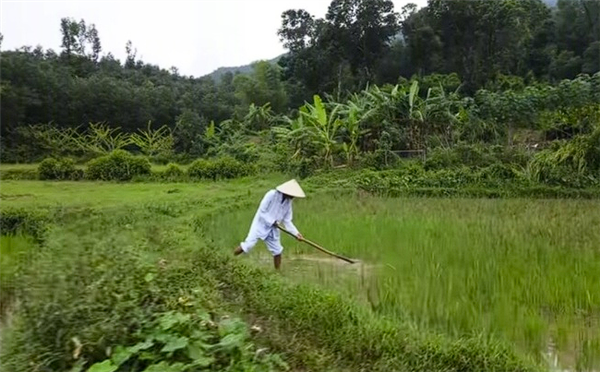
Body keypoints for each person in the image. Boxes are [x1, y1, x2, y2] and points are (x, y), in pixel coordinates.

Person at [233, 179, 305, 270]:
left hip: (273, 229)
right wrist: (272, 221)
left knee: (277, 251)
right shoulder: (272, 194)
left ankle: (277, 273)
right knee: (248, 245)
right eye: (293, 194)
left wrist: (296, 234)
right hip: (260, 224)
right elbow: (262, 211)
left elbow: (287, 221)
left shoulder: (288, 203)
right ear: (287, 192)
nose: (293, 197)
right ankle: (230, 258)